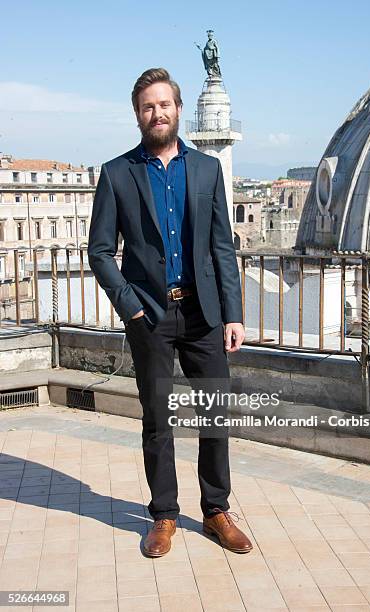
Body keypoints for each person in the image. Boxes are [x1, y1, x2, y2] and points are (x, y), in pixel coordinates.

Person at [88, 67, 252, 557]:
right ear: (138, 115)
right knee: (158, 419)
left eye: (164, 104)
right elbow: (99, 251)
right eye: (147, 107)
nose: (156, 113)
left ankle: (216, 510)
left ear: (179, 109)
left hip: (204, 315)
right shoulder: (118, 173)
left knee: (215, 414)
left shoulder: (205, 170)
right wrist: (131, 305)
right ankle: (163, 515)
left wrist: (233, 313)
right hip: (150, 318)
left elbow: (222, 246)